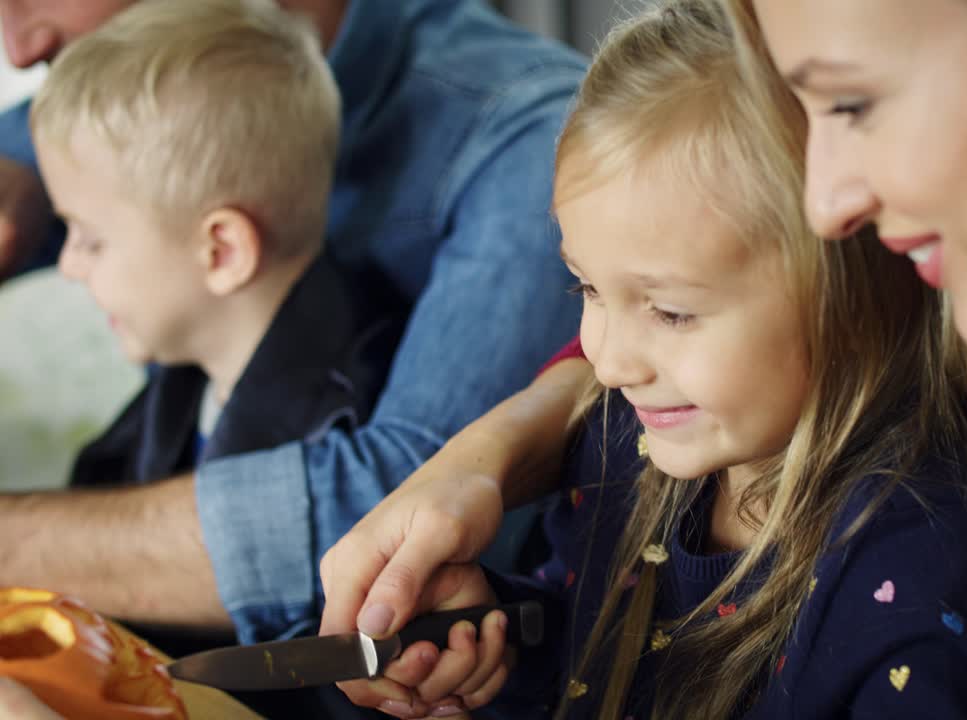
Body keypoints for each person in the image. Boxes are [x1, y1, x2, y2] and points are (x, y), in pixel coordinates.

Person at [326, 0, 967, 717]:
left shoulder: (915, 560)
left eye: (854, 101)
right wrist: (496, 628)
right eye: (583, 288)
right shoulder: (639, 452)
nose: (832, 209)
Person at [0, 0, 585, 653]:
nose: (17, 50)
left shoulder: (529, 135)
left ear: (223, 250)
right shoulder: (162, 73)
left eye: (89, 238)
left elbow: (394, 531)